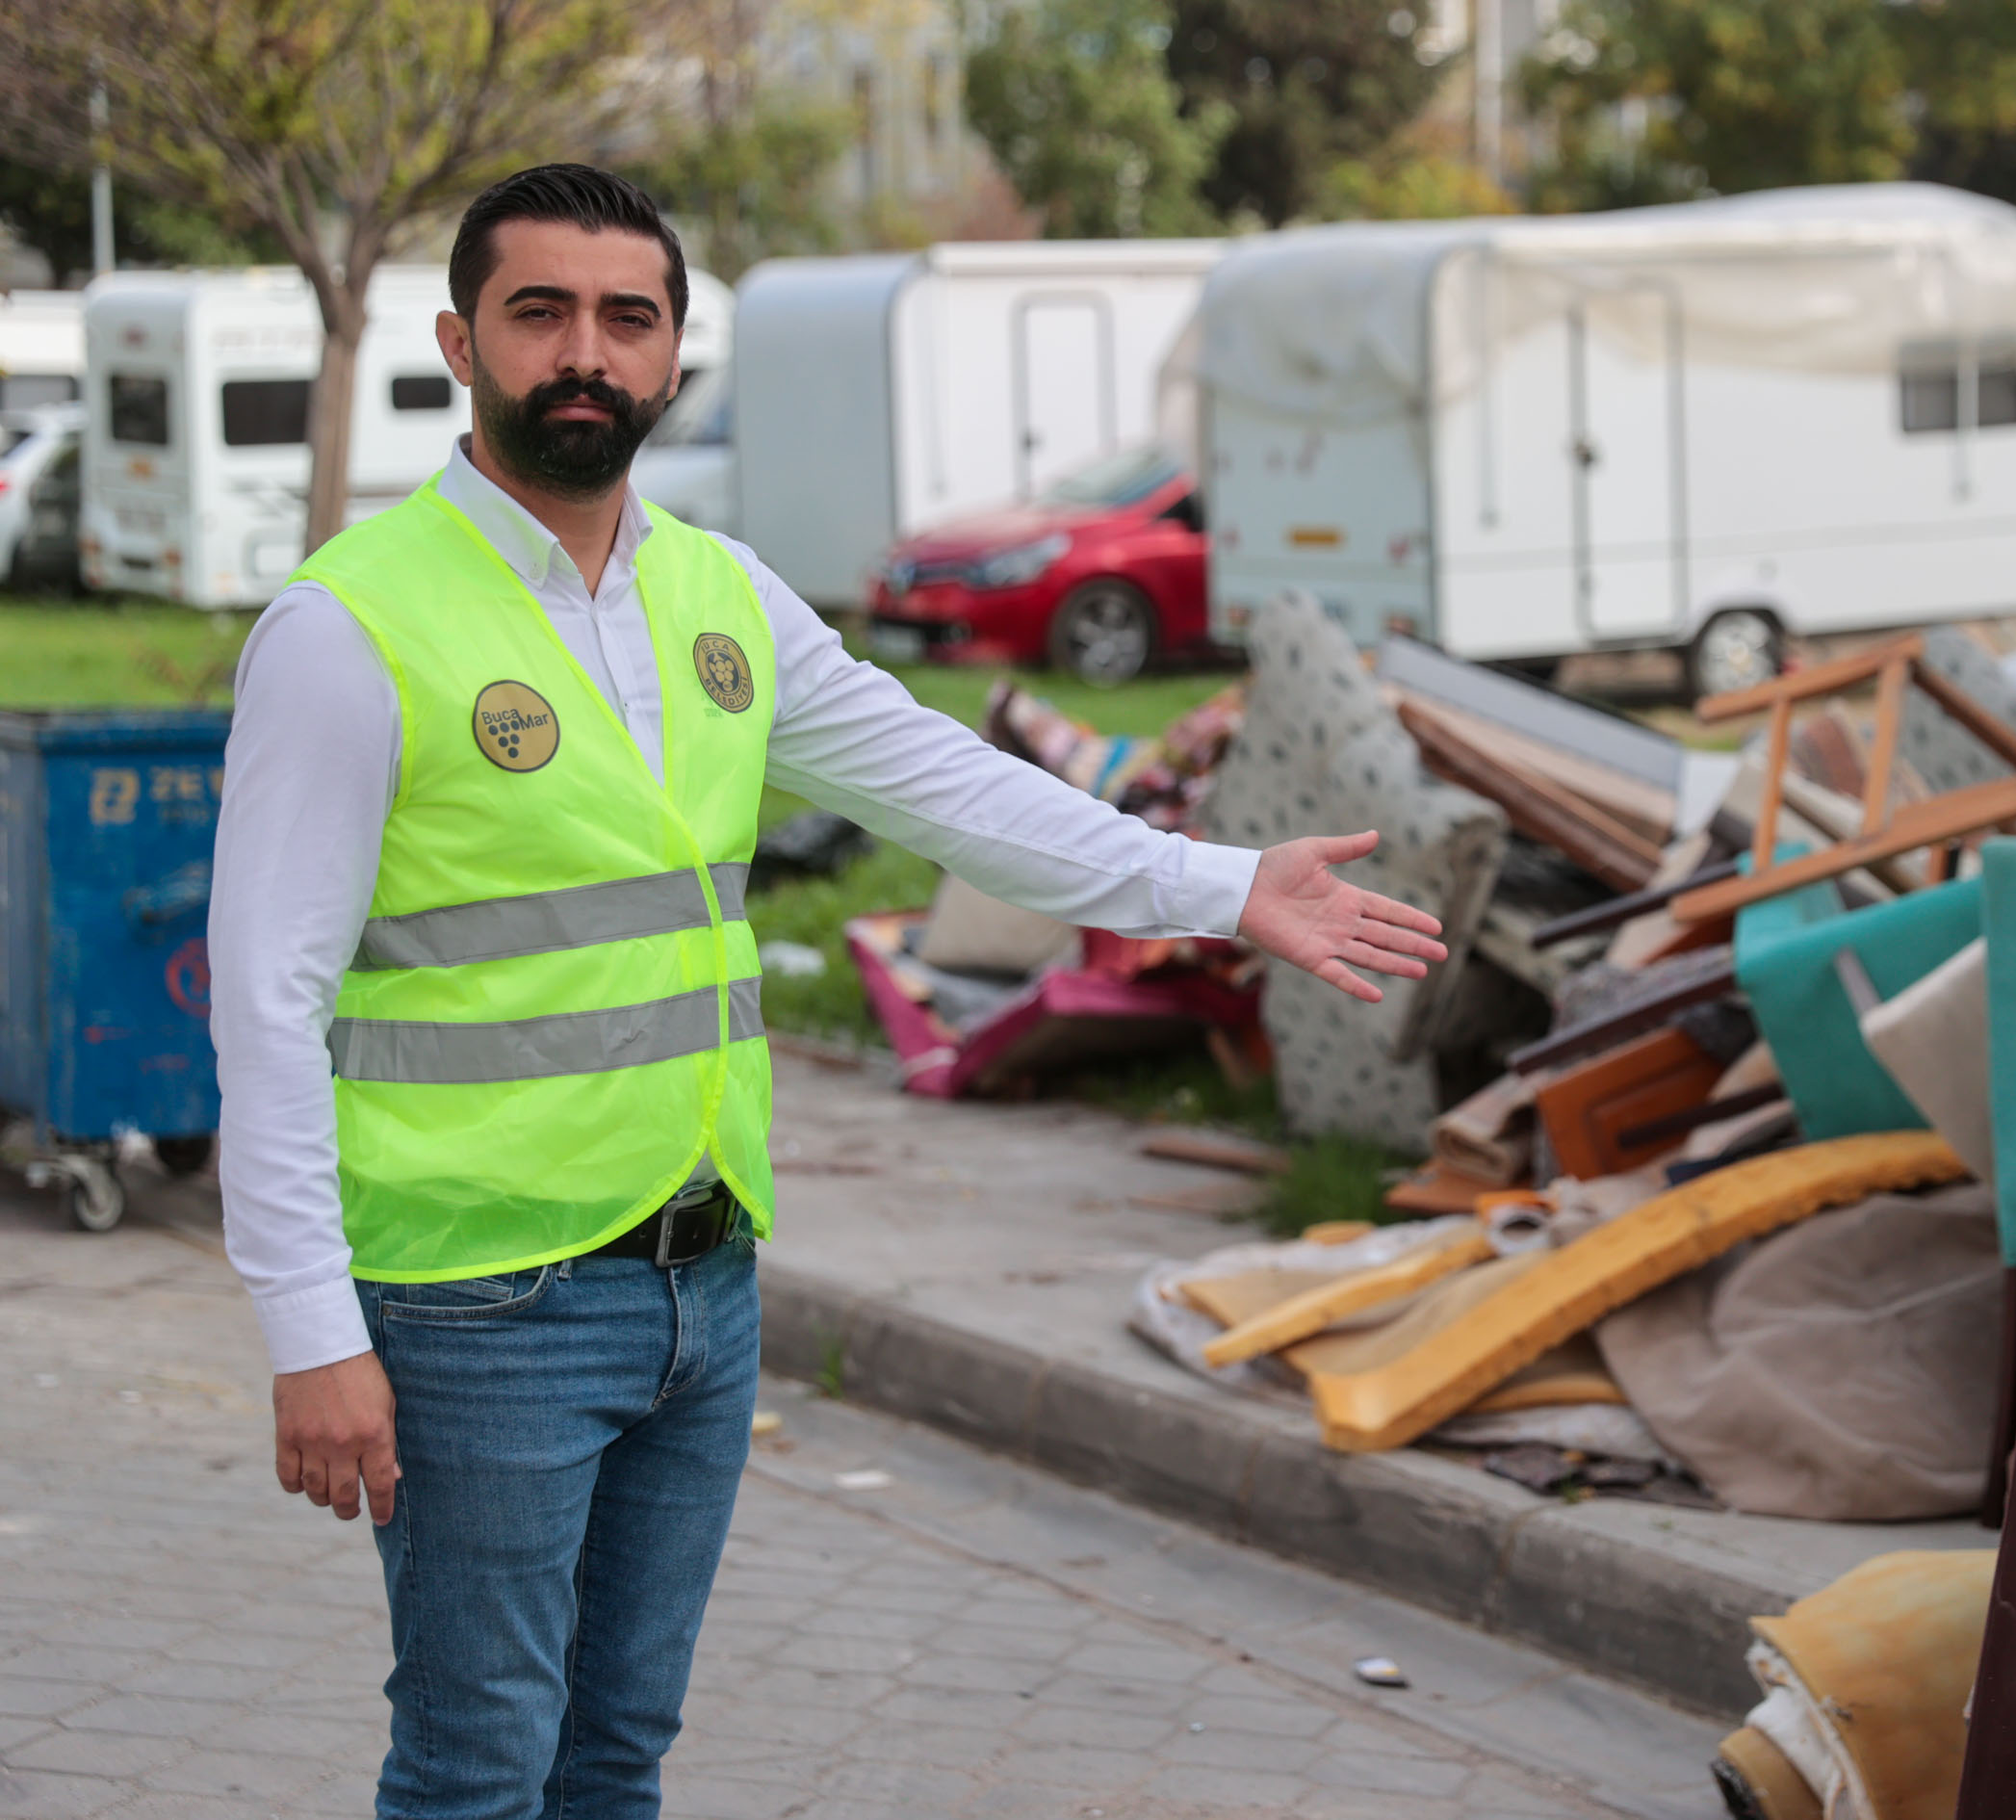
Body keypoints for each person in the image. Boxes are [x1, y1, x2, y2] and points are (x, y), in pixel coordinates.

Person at [207, 163, 1445, 1820]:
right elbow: (264, 1002)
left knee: (616, 1756)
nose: (585, 354)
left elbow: (954, 790)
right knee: (476, 1765)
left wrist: (1223, 885)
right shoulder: (349, 625)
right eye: (541, 313)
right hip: (477, 1305)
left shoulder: (720, 597)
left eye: (626, 319)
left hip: (701, 1286)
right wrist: (310, 1332)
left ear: (673, 354)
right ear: (459, 342)